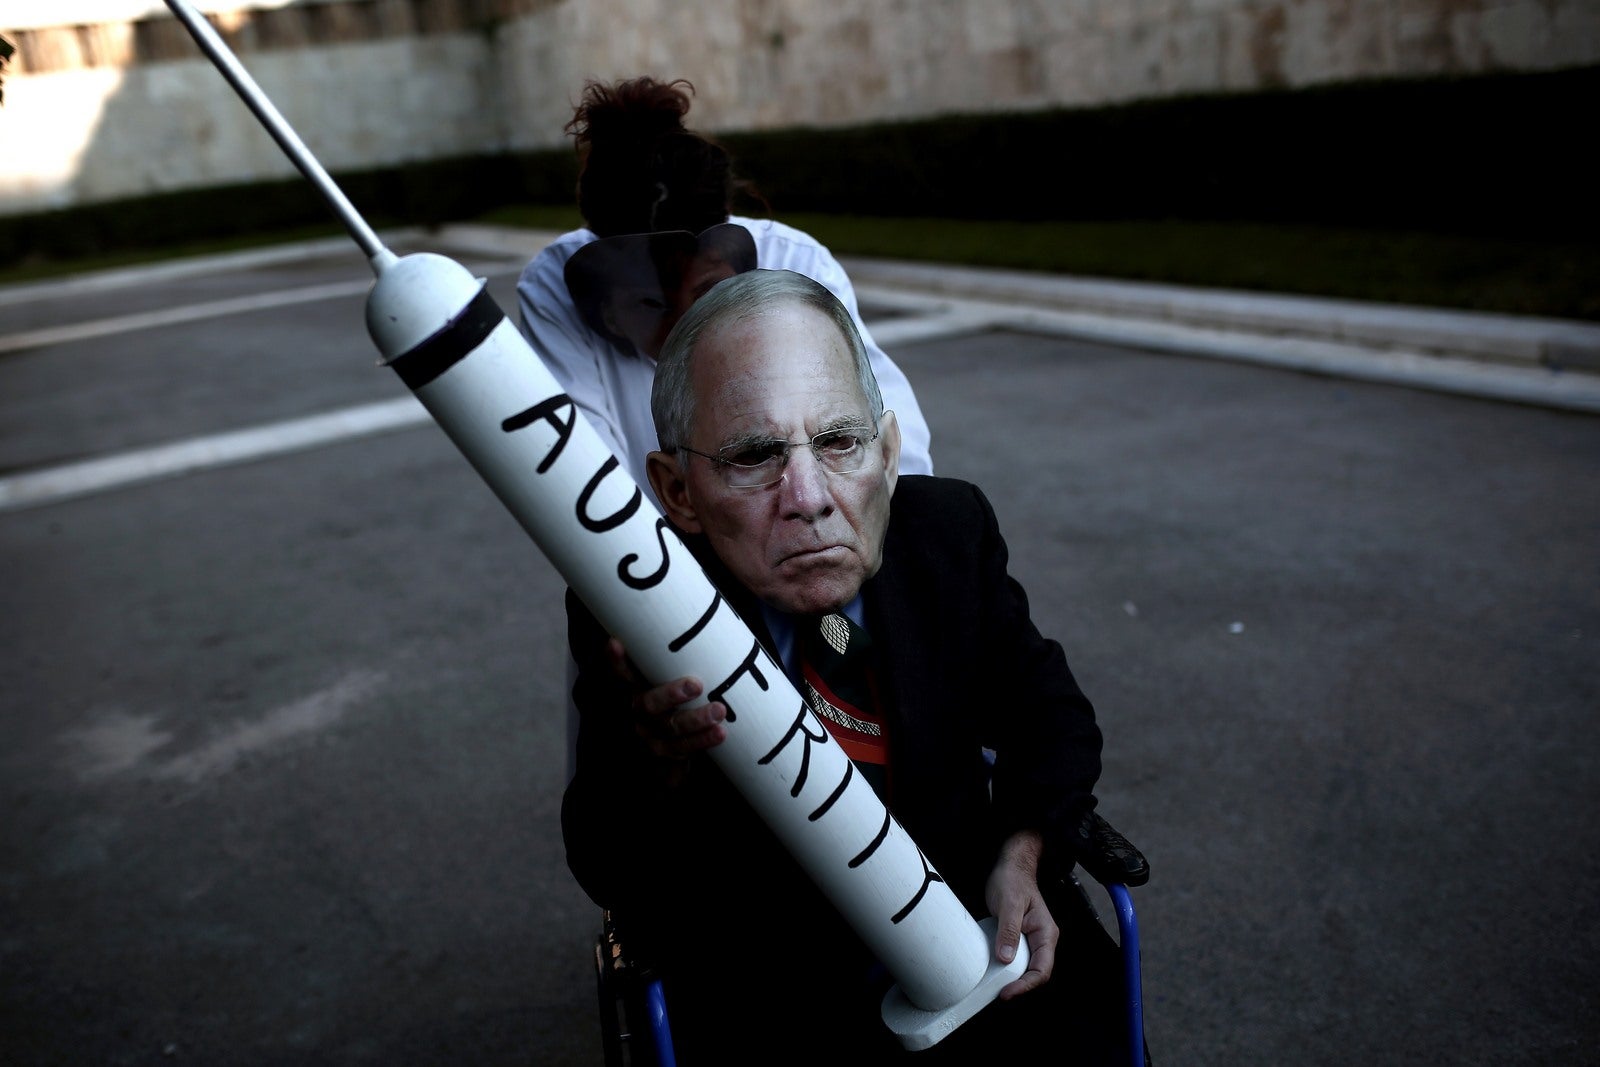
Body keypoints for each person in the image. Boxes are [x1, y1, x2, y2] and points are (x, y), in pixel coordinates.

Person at [561, 269, 1141, 1065]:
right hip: (777, 1001)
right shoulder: (635, 602)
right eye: (754, 455)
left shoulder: (946, 535)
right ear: (678, 492)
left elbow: (1052, 716)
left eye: (839, 441)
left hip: (990, 954)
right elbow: (606, 861)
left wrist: (1024, 849)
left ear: (891, 453)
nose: (808, 496)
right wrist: (655, 765)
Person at [515, 75, 934, 492]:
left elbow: (883, 431)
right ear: (604, 288)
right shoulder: (555, 289)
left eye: (705, 293)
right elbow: (585, 473)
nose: (680, 327)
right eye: (649, 302)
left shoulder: (797, 263)